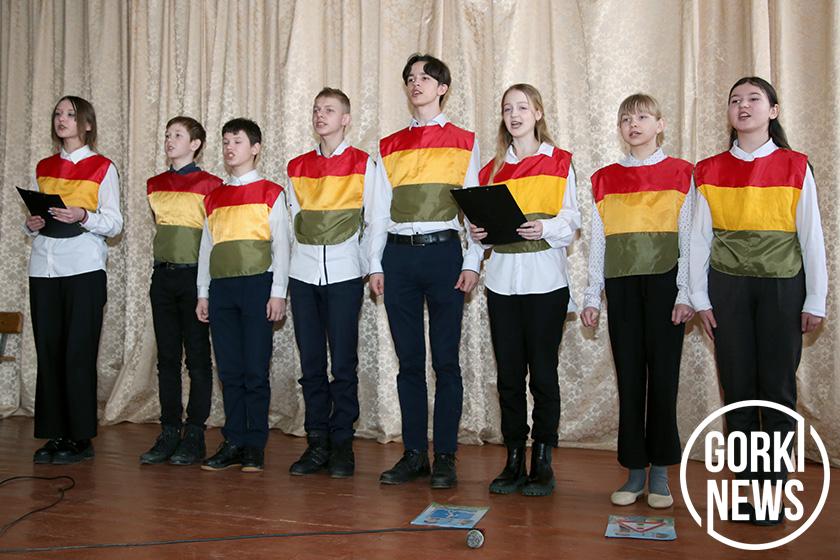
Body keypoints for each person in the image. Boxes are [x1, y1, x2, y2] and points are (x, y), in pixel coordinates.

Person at [689, 77, 827, 525]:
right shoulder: (709, 170)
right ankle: (748, 491)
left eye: (753, 99)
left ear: (773, 110)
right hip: (727, 291)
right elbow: (698, 239)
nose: (743, 106)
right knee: (738, 392)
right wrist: (699, 296)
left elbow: (811, 237)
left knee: (778, 391)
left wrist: (815, 298)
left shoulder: (795, 165)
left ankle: (773, 493)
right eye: (735, 100)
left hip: (782, 291)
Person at [367, 53, 482, 489]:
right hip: (398, 259)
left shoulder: (464, 141)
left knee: (446, 361)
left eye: (426, 77)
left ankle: (445, 456)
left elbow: (475, 207)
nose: (417, 83)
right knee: (409, 362)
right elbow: (379, 212)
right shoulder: (389, 145)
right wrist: (374, 264)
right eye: (411, 78)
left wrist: (472, 261)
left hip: (444, 255)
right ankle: (414, 453)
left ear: (442, 88)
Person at [581, 93, 694, 508]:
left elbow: (689, 237)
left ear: (659, 124)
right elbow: (598, 241)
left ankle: (660, 473)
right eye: (626, 119)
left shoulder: (682, 173)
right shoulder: (605, 178)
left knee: (663, 379)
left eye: (643, 117)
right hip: (622, 287)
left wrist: (686, 291)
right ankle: (633, 471)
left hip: (666, 287)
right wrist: (592, 295)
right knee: (630, 380)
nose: (634, 125)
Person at [471, 84, 580, 496]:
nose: (514, 115)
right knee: (510, 377)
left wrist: (545, 227)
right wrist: (477, 233)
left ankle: (543, 459)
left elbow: (572, 220)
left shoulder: (560, 162)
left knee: (544, 375)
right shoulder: (491, 170)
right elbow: (480, 232)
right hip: (502, 284)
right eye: (507, 109)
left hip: (545, 283)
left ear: (537, 112)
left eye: (522, 107)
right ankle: (514, 457)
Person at [27, 96, 123, 464]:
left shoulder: (102, 167)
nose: (62, 119)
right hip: (44, 267)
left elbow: (114, 223)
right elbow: (37, 218)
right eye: (57, 114)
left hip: (83, 268)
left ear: (87, 124)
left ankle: (80, 438)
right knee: (49, 351)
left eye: (70, 114)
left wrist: (83, 215)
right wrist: (31, 224)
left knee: (78, 353)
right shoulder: (44, 166)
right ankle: (55, 434)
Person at [285, 88, 376, 478]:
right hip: (303, 276)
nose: (321, 115)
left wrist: (367, 266)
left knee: (342, 364)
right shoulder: (297, 167)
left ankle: (342, 443)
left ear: (346, 119)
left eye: (330, 110)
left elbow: (374, 221)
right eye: (316, 109)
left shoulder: (363, 164)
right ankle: (316, 441)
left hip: (343, 276)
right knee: (310, 363)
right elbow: (291, 224)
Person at [196, 118, 290, 473]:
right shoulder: (214, 197)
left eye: (237, 141)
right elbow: (207, 248)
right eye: (225, 142)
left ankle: (254, 445)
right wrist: (203, 292)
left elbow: (282, 247)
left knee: (255, 369)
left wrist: (278, 293)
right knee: (230, 369)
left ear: (255, 148)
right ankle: (233, 440)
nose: (229, 148)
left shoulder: (271, 192)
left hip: (257, 287)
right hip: (222, 290)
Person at [141, 116, 222, 466]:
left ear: (195, 144)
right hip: (163, 278)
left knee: (198, 359)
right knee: (167, 359)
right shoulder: (155, 184)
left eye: (177, 135)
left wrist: (206, 286)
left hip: (195, 280)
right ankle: (169, 429)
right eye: (167, 134)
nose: (169, 140)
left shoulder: (211, 185)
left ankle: (195, 433)